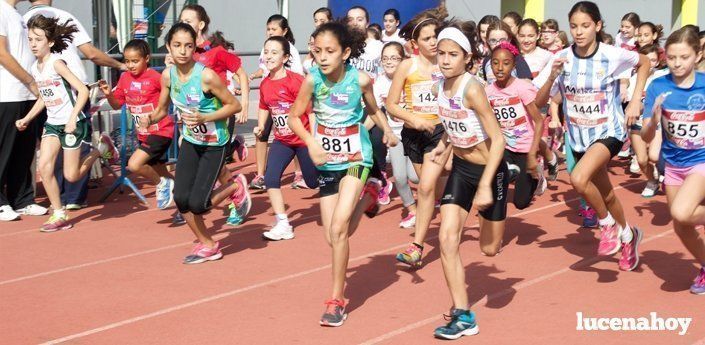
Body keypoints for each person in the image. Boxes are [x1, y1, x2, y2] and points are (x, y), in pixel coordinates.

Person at [287, 21, 397, 327]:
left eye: (330, 51)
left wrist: (386, 130)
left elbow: (374, 110)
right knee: (334, 236)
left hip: (355, 157)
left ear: (345, 52)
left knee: (338, 227)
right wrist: (311, 143)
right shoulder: (312, 81)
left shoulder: (360, 80)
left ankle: (335, 300)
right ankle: (370, 198)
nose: (322, 57)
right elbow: (295, 117)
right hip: (326, 161)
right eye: (317, 50)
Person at [534, 1, 650, 272]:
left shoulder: (612, 54)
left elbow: (644, 62)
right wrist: (551, 77)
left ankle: (607, 225)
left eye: (585, 26)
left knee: (578, 178)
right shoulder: (561, 57)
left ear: (597, 26)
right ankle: (628, 236)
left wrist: (634, 101)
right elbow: (539, 101)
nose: (579, 32)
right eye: (574, 26)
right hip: (579, 138)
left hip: (608, 132)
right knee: (606, 195)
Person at [430, 25, 507, 340]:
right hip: (462, 169)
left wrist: (488, 183)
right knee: (447, 239)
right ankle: (462, 315)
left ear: (467, 58)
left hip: (490, 169)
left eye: (453, 55)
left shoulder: (472, 88)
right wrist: (445, 143)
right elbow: (455, 120)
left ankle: (502, 190)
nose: (446, 60)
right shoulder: (440, 86)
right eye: (442, 54)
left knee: (489, 249)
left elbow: (499, 139)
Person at [148, 23, 241, 264]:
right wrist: (149, 119)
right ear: (168, 47)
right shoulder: (167, 76)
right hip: (190, 140)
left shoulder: (206, 76)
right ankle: (209, 244)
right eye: (177, 45)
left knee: (198, 204)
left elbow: (234, 106)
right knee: (181, 199)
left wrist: (205, 117)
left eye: (188, 46)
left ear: (195, 48)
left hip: (214, 143)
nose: (182, 51)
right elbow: (161, 109)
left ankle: (234, 186)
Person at [16, 14, 118, 232]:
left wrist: (72, 118)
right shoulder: (36, 68)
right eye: (30, 39)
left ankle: (101, 148)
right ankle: (58, 213)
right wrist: (27, 118)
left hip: (73, 123)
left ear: (50, 42)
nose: (33, 44)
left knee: (72, 175)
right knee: (44, 167)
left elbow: (82, 90)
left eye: (38, 39)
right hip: (53, 124)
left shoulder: (57, 63)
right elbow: (44, 97)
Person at [641, 27, 705, 295]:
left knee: (681, 211)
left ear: (698, 55)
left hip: (701, 161)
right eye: (672, 57)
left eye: (684, 57)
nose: (677, 63)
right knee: (681, 225)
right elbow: (645, 134)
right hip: (674, 164)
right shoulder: (658, 85)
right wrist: (655, 118)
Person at [386, 5, 449, 268]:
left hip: (440, 132)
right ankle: (453, 206)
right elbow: (391, 104)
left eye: (436, 36)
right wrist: (413, 119)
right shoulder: (406, 67)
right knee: (431, 188)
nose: (433, 42)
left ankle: (417, 247)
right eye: (427, 38)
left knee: (424, 189)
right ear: (414, 43)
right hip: (413, 134)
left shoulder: (447, 63)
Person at [178, 4, 251, 226]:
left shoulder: (216, 52)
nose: (184, 24)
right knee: (207, 162)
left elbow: (241, 73)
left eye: (189, 20)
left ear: (200, 25)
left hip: (220, 115)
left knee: (212, 162)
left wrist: (245, 104)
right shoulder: (183, 54)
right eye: (182, 20)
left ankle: (234, 191)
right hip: (194, 118)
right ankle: (229, 191)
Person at [99, 39, 175, 209]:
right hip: (144, 134)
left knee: (134, 164)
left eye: (135, 61)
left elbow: (171, 94)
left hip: (161, 131)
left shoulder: (156, 78)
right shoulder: (125, 78)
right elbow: (117, 104)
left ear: (146, 58)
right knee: (162, 171)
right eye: (127, 61)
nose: (131, 65)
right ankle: (185, 196)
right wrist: (108, 94)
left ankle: (161, 184)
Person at [256, 36, 318, 241]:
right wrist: (260, 126)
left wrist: (314, 138)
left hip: (303, 139)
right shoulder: (265, 84)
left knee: (313, 181)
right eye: (266, 52)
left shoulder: (296, 81)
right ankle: (283, 223)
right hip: (282, 140)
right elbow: (265, 107)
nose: (269, 56)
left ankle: (340, 187)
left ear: (285, 57)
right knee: (271, 178)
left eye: (274, 52)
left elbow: (310, 111)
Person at [0, 0, 46, 222]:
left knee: (24, 151)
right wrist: (29, 80)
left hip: (27, 94)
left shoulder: (16, 14)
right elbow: (0, 52)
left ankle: (22, 200)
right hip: (7, 93)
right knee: (3, 151)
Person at [486, 41, 545, 209]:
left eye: (506, 63)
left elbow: (539, 121)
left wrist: (533, 154)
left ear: (513, 65)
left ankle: (537, 176)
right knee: (498, 185)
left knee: (521, 203)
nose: (500, 68)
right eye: (495, 63)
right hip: (504, 146)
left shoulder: (522, 88)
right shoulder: (488, 92)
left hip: (525, 147)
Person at [249, 14, 305, 191]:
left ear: (285, 31)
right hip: (270, 97)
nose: (270, 32)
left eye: (274, 29)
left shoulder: (291, 52)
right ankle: (260, 174)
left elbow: (297, 79)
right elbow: (264, 67)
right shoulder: (265, 48)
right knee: (262, 134)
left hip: (288, 102)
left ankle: (299, 172)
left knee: (294, 135)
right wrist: (255, 75)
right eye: (268, 29)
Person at [374, 41, 419, 228]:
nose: (389, 62)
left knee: (415, 176)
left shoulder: (412, 78)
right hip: (396, 136)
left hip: (416, 134)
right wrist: (386, 129)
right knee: (400, 177)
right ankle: (413, 211)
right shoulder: (379, 82)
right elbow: (375, 110)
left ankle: (438, 185)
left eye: (394, 58)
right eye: (385, 58)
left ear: (403, 60)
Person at [625, 44, 668, 197]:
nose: (650, 64)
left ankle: (669, 175)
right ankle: (652, 181)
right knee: (642, 161)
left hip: (658, 124)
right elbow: (631, 104)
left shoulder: (661, 77)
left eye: (654, 60)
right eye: (647, 60)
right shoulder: (633, 79)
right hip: (638, 124)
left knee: (654, 156)